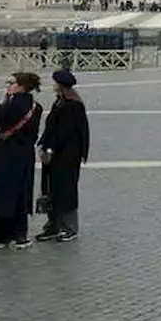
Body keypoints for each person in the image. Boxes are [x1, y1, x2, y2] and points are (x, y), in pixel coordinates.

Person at [0, 72, 45, 249]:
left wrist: (2, 101)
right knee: (22, 193)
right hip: (25, 155)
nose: (7, 86)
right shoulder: (35, 106)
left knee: (3, 194)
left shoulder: (10, 105)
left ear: (21, 86)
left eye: (11, 83)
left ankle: (1, 236)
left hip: (7, 154)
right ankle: (21, 235)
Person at [36, 70, 90, 243]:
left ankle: (69, 227)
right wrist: (42, 144)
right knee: (51, 189)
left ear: (61, 85)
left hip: (67, 155)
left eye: (55, 83)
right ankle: (53, 225)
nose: (53, 86)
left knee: (65, 190)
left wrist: (50, 150)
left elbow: (64, 132)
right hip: (55, 154)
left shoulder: (73, 105)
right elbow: (50, 126)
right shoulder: (60, 102)